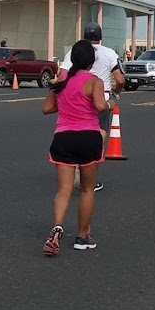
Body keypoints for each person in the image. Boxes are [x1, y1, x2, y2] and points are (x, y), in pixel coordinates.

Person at [42, 39, 111, 255]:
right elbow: (100, 105)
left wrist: (67, 104)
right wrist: (110, 104)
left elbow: (47, 108)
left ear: (72, 59)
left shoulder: (61, 81)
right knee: (87, 189)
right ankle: (82, 236)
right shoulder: (94, 81)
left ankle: (57, 227)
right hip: (88, 137)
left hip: (64, 137)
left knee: (63, 190)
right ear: (92, 61)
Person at [57, 22, 125, 191]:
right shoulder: (109, 53)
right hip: (101, 98)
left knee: (75, 130)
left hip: (78, 97)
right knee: (99, 134)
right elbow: (120, 79)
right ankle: (89, 177)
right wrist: (116, 92)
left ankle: (74, 167)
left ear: (84, 35)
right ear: (101, 37)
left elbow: (61, 75)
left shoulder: (74, 51)